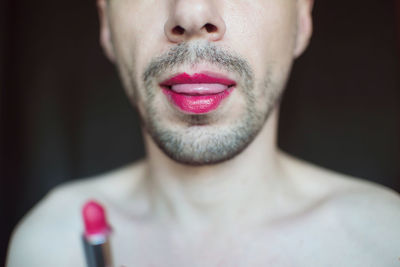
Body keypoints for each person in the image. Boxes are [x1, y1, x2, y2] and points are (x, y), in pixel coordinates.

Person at [6, 0, 400, 266]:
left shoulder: (385, 242)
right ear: (106, 21)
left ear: (301, 18)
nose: (192, 13)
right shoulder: (48, 248)